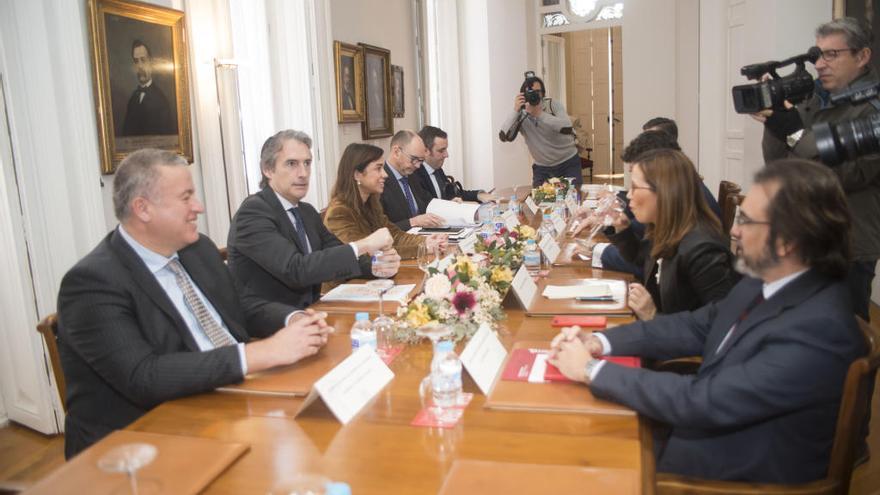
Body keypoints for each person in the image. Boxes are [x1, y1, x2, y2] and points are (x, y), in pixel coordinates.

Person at [549, 159, 865, 483]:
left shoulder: (819, 330)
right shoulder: (769, 278)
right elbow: (695, 325)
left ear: (788, 242)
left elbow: (703, 400)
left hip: (727, 472)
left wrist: (590, 370)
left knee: (573, 461)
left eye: (746, 220)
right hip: (706, 428)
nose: (734, 230)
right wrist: (599, 342)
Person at [57, 149, 333, 458]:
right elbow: (143, 377)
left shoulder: (197, 249)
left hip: (227, 398)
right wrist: (262, 353)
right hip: (141, 444)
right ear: (143, 208)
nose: (198, 207)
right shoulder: (92, 283)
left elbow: (238, 306)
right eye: (186, 198)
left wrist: (292, 319)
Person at [755, 17, 879, 322]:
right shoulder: (817, 100)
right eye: (817, 55)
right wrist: (776, 123)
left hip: (848, 243)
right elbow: (779, 165)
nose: (820, 64)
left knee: (845, 334)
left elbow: (838, 178)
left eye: (831, 55)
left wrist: (796, 133)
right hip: (807, 234)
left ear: (862, 56)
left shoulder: (871, 110)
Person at [227, 130, 400, 309]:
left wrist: (377, 265)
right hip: (275, 323)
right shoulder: (253, 212)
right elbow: (296, 269)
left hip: (313, 311)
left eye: (307, 163)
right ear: (268, 170)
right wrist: (366, 244)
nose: (303, 173)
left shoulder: (306, 212)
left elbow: (338, 252)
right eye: (292, 164)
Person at [600, 148, 739, 320]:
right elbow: (641, 258)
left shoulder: (702, 249)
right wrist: (623, 229)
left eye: (635, 187)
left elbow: (722, 324)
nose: (629, 195)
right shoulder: (667, 228)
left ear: (664, 192)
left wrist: (653, 315)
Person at [572, 130, 722, 278]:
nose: (629, 195)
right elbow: (644, 255)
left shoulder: (700, 246)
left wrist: (597, 249)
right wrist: (614, 225)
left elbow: (649, 267)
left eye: (636, 186)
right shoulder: (677, 206)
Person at [325, 143, 447, 259]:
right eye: (378, 169)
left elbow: (394, 236)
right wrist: (423, 247)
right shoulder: (339, 213)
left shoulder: (371, 204)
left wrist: (427, 241)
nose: (385, 174)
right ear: (357, 175)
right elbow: (365, 254)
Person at [500, 74, 581, 189]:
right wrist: (515, 110)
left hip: (567, 163)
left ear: (543, 93)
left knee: (572, 200)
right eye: (531, 92)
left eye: (538, 92)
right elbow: (504, 136)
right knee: (540, 202)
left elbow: (567, 126)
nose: (535, 95)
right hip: (543, 169)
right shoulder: (521, 114)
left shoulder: (552, 105)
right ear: (523, 95)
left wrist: (539, 114)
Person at [380, 130, 445, 230]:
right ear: (396, 152)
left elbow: (428, 201)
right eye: (414, 159)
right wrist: (413, 222)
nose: (418, 165)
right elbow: (379, 229)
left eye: (421, 160)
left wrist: (451, 206)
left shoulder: (412, 175)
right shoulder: (380, 182)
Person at [413, 125, 495, 203]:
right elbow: (427, 207)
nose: (446, 155)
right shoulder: (415, 176)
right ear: (426, 151)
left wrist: (479, 195)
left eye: (446, 150)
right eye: (441, 151)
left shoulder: (437, 170)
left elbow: (455, 194)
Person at [121, 40, 177, 136]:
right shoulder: (132, 99)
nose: (140, 66)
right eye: (136, 61)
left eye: (143, 60)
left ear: (151, 62)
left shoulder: (161, 100)